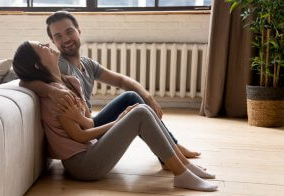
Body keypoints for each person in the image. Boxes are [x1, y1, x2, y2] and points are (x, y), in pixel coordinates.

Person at [13, 40, 218, 192]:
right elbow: (80, 136)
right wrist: (119, 121)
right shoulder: (58, 98)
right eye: (42, 47)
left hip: (90, 148)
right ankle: (181, 174)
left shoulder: (69, 83)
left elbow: (88, 123)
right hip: (84, 166)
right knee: (139, 113)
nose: (48, 44)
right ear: (38, 66)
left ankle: (182, 165)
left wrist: (114, 119)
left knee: (139, 107)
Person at [20, 11, 201, 167]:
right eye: (58, 36)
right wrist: (51, 90)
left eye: (69, 32)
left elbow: (121, 80)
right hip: (83, 131)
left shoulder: (87, 64)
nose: (66, 39)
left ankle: (171, 149)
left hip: (89, 123)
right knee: (133, 104)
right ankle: (171, 150)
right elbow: (21, 79)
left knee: (131, 96)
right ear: (53, 41)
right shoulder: (59, 65)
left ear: (79, 31)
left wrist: (148, 97)